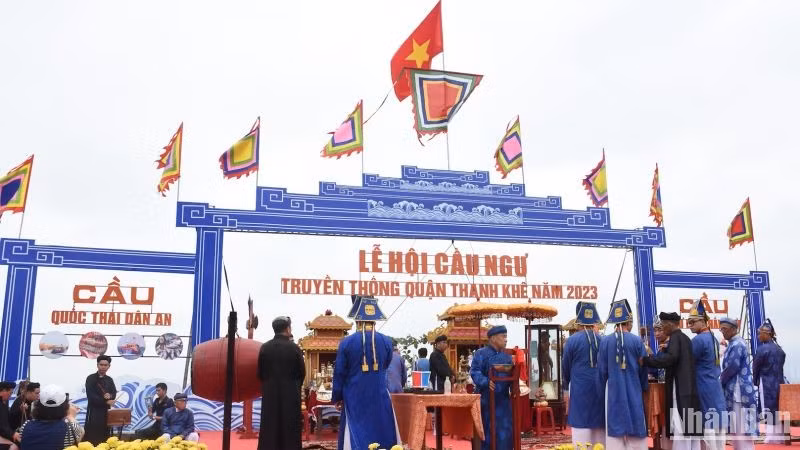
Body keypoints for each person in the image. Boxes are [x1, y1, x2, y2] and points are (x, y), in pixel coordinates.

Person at [332, 295, 401, 449]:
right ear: (374, 318)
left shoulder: (346, 343)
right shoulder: (386, 341)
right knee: (382, 427)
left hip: (354, 396)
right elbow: (386, 364)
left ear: (357, 318)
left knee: (357, 432)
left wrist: (337, 396)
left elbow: (340, 372)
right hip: (379, 393)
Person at [643, 312, 702, 450]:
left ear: (670, 325)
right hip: (690, 389)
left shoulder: (675, 338)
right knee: (691, 428)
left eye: (663, 326)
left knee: (680, 426)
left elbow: (670, 359)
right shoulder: (686, 338)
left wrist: (646, 360)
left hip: (679, 389)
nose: (662, 329)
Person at [598, 299, 648, 450]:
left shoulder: (605, 342)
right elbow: (643, 367)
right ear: (629, 321)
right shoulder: (637, 341)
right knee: (637, 422)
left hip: (613, 390)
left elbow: (602, 371)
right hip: (634, 387)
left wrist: (601, 392)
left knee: (615, 429)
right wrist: (643, 386)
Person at [257, 316, 305, 450]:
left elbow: (260, 373)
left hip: (270, 395)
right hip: (290, 395)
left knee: (269, 428)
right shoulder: (295, 348)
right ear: (288, 328)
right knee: (290, 429)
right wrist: (294, 386)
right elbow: (302, 373)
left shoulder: (265, 348)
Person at [562, 301, 605, 446]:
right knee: (599, 429)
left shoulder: (571, 341)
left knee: (580, 428)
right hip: (600, 389)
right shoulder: (603, 340)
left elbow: (566, 367)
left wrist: (566, 385)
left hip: (580, 390)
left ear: (578, 319)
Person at [686, 300, 727, 450]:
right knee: (718, 423)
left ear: (703, 321)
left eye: (692, 322)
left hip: (702, 385)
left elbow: (687, 363)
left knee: (707, 423)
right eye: (688, 322)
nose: (689, 325)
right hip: (714, 385)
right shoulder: (713, 338)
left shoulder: (697, 340)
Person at [470, 325, 513, 450]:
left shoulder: (508, 357)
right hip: (486, 401)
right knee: (487, 432)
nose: (506, 339)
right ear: (493, 338)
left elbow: (512, 375)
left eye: (506, 336)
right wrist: (485, 381)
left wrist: (517, 385)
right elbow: (474, 371)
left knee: (504, 433)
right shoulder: (480, 354)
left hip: (503, 402)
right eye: (503, 336)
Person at [718, 317, 757, 450]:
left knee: (741, 426)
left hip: (739, 391)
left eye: (725, 329)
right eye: (721, 329)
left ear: (734, 329)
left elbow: (733, 367)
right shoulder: (733, 343)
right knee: (737, 426)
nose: (722, 332)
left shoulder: (737, 344)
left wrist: (720, 381)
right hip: (735, 390)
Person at [18, 384, 84, 449]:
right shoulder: (70, 428)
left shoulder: (25, 426)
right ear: (65, 406)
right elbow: (81, 433)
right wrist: (71, 416)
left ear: (38, 405)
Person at [753, 318, 786, 444]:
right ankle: (780, 436)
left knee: (768, 407)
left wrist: (755, 381)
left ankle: (771, 437)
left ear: (766, 334)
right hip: (779, 382)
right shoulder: (780, 350)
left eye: (759, 333)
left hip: (766, 382)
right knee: (778, 407)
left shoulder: (762, 350)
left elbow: (756, 368)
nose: (758, 336)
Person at [83, 355, 116, 445]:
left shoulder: (110, 380)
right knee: (92, 435)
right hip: (94, 411)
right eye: (101, 364)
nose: (103, 367)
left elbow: (114, 393)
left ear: (109, 366)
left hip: (106, 412)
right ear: (97, 365)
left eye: (106, 365)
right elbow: (91, 396)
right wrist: (106, 401)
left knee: (105, 435)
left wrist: (110, 395)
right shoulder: (90, 378)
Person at [0, 381, 16, 450]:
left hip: (5, 435)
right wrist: (12, 434)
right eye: (10, 393)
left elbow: (7, 421)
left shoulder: (5, 401)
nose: (11, 395)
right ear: (3, 391)